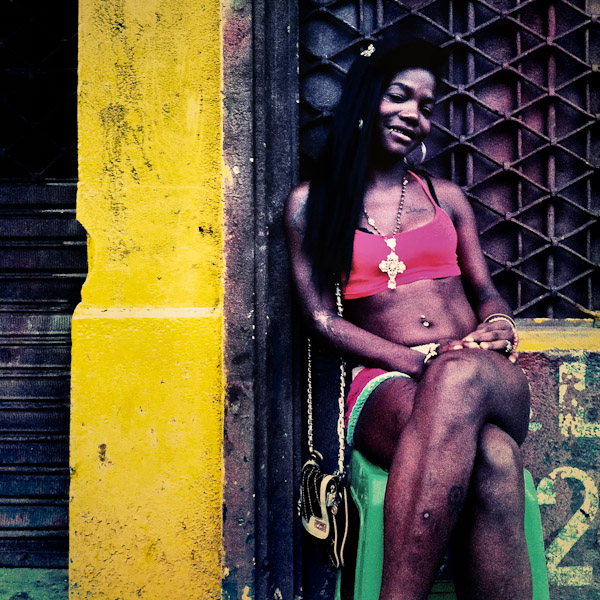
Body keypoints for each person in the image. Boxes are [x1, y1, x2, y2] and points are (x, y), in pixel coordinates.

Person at [285, 36, 532, 600]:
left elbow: (487, 291)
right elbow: (320, 317)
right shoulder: (310, 204)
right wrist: (409, 359)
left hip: (483, 373)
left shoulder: (445, 197)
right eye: (399, 97)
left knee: (460, 374)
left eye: (426, 106)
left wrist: (498, 325)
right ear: (366, 98)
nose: (414, 115)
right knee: (494, 457)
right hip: (388, 380)